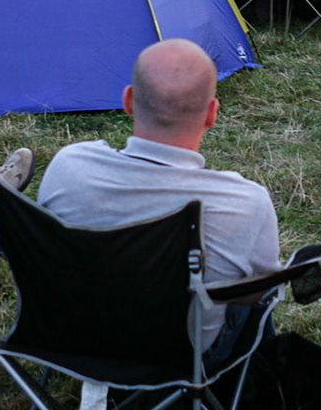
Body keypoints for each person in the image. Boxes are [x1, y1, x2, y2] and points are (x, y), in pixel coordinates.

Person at [37, 38, 279, 361]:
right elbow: (257, 292)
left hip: (72, 341)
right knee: (266, 284)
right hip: (183, 356)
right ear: (212, 114)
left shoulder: (68, 168)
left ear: (129, 101)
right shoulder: (245, 202)